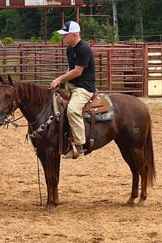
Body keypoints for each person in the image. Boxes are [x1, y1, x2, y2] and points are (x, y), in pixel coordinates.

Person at [50, 20, 96, 159]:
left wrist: (59, 79)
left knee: (73, 110)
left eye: (65, 35)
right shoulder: (70, 49)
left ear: (74, 35)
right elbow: (70, 69)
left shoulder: (84, 49)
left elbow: (77, 72)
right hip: (72, 85)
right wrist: (62, 83)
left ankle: (80, 146)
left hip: (83, 88)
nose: (63, 37)